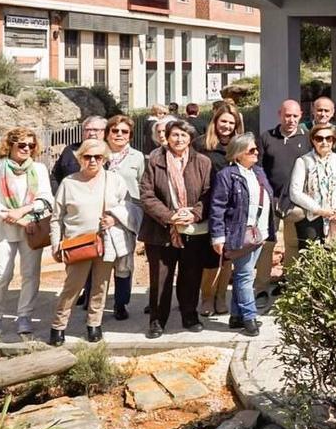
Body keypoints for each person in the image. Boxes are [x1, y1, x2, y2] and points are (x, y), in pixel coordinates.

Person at [47, 138, 130, 345]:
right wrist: (56, 244)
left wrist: (114, 218)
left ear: (104, 159)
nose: (92, 161)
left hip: (105, 241)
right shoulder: (69, 182)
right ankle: (58, 326)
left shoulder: (114, 180)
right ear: (80, 158)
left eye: (98, 157)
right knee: (72, 287)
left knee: (101, 286)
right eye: (87, 157)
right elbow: (57, 217)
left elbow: (128, 207)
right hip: (77, 243)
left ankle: (94, 324)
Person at [140, 119, 213, 338]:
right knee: (160, 277)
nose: (179, 139)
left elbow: (208, 193)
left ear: (190, 138)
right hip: (161, 230)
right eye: (174, 135)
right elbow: (147, 194)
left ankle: (189, 315)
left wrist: (193, 214)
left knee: (191, 275)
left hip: (193, 230)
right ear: (167, 137)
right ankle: (157, 320)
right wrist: (171, 216)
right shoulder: (154, 160)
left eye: (183, 135)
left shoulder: (202, 162)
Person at [0, 127, 54, 340]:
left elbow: (45, 198)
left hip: (31, 226)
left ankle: (25, 315)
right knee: (1, 273)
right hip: (2, 225)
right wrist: (16, 217)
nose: (26, 149)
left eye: (31, 145)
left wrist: (24, 214)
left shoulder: (39, 169)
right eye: (22, 145)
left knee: (31, 273)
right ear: (10, 145)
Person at [209, 133, 274, 337]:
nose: (256, 153)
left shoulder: (258, 172)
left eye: (256, 150)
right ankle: (249, 316)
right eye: (251, 150)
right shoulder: (226, 176)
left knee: (241, 275)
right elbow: (217, 207)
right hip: (240, 234)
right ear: (238, 154)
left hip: (259, 232)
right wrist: (218, 236)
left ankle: (236, 316)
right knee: (245, 275)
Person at [195, 105, 244, 317]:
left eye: (231, 123)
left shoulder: (240, 147)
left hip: (233, 209)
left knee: (228, 256)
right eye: (223, 121)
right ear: (215, 122)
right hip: (208, 207)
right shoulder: (200, 145)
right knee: (209, 257)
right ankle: (206, 297)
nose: (227, 126)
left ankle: (221, 297)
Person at [257, 100, 309, 299]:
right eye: (288, 115)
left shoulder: (306, 138)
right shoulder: (267, 137)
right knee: (267, 243)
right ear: (280, 114)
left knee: (292, 244)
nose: (291, 120)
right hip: (272, 199)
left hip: (296, 201)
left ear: (301, 115)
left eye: (295, 116)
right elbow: (260, 169)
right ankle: (261, 287)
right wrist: (269, 195)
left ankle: (290, 283)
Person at [290, 123, 336, 246]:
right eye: (319, 139)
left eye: (328, 138)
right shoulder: (303, 161)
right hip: (312, 217)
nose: (324, 142)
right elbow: (295, 192)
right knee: (311, 257)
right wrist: (320, 210)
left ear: (333, 140)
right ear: (313, 140)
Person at [103, 115, 145, 320]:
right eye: (115, 130)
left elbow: (143, 187)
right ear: (108, 133)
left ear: (130, 135)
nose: (119, 134)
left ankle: (121, 303)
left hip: (127, 216)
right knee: (99, 261)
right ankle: (94, 303)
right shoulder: (97, 154)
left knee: (123, 262)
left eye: (124, 131)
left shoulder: (137, 157)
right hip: (100, 216)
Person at [50, 115, 107, 191]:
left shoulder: (110, 151)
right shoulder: (70, 150)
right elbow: (55, 177)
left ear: (105, 132)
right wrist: (58, 195)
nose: (91, 133)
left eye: (96, 130)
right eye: (87, 130)